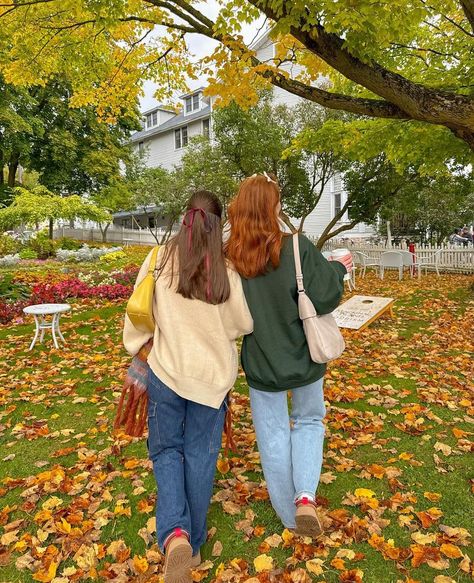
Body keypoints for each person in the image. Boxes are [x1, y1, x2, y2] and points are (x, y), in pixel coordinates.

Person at [123, 191, 253, 583]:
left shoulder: (159, 259)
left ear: (184, 219)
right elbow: (242, 324)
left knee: (165, 451)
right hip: (211, 381)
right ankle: (191, 544)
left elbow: (141, 311)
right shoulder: (227, 270)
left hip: (166, 372)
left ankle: (175, 534)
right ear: (218, 227)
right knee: (200, 454)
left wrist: (136, 346)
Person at [225, 173, 351, 537]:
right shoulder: (297, 246)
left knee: (273, 433)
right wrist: (340, 267)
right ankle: (305, 498)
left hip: (262, 361)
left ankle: (287, 515)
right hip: (305, 358)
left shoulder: (233, 258)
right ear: (273, 207)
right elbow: (326, 294)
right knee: (310, 421)